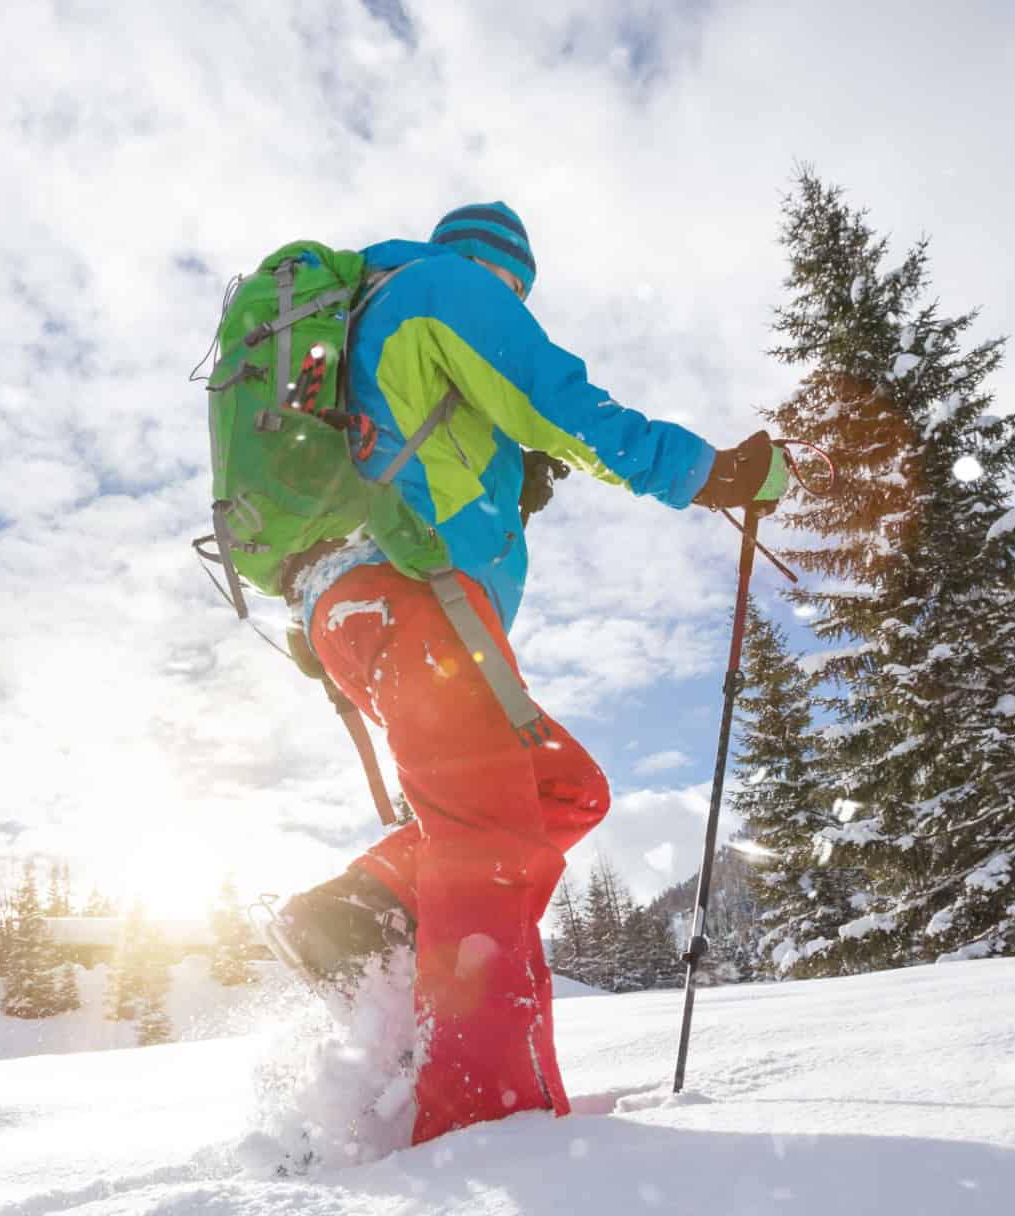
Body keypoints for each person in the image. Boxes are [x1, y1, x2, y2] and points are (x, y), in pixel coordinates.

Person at [266, 201, 790, 1149]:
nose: (516, 303)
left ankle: (365, 907)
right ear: (507, 273)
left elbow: (408, 457)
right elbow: (562, 402)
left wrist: (507, 475)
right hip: (410, 599)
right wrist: (712, 474)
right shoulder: (447, 287)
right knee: (491, 838)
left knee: (562, 788)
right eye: (520, 291)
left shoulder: (373, 318)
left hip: (376, 604)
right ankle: (487, 1121)